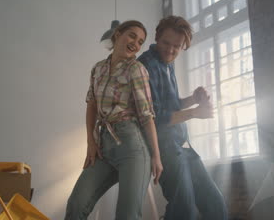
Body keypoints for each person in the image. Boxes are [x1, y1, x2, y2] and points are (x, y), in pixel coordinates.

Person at [65, 20, 163, 220]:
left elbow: (146, 116)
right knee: (76, 204)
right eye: (132, 36)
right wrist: (91, 142)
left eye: (140, 42)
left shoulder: (136, 69)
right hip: (103, 145)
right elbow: (91, 105)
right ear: (117, 35)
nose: (135, 44)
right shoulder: (98, 69)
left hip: (133, 148)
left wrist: (156, 156)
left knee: (127, 216)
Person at [138, 16, 228, 220]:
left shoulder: (167, 64)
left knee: (216, 206)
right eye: (166, 43)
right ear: (156, 37)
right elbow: (153, 117)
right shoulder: (144, 65)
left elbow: (170, 105)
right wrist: (194, 113)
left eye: (176, 47)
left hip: (183, 145)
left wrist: (192, 99)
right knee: (184, 210)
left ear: (183, 47)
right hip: (164, 147)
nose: (170, 50)